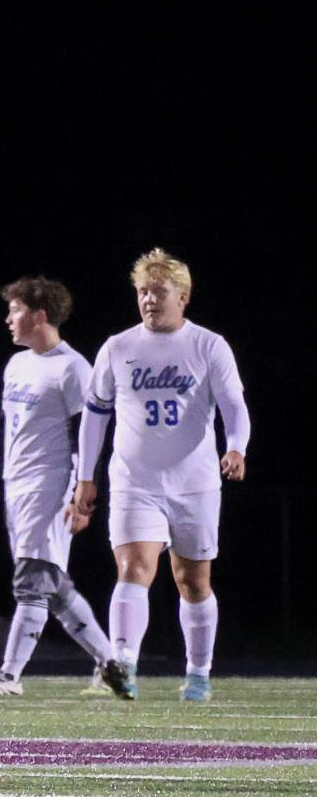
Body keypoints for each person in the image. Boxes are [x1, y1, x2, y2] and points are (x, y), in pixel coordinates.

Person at [72, 249, 250, 701]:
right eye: (142, 292)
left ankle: (198, 673)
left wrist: (236, 447)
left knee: (193, 581)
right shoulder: (118, 347)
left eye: (159, 292)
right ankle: (124, 666)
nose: (149, 300)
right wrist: (85, 474)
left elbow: (233, 406)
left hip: (195, 483)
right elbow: (95, 415)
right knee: (134, 567)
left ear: (183, 296)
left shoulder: (209, 346)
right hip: (136, 481)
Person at [0, 277, 125, 698]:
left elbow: (88, 437)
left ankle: (9, 676)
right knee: (54, 586)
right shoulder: (18, 365)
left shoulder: (72, 368)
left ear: (38, 314)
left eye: (15, 310)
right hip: (17, 486)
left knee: (31, 579)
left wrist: (81, 495)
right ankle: (112, 666)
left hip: (49, 486)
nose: (8, 318)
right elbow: (3, 428)